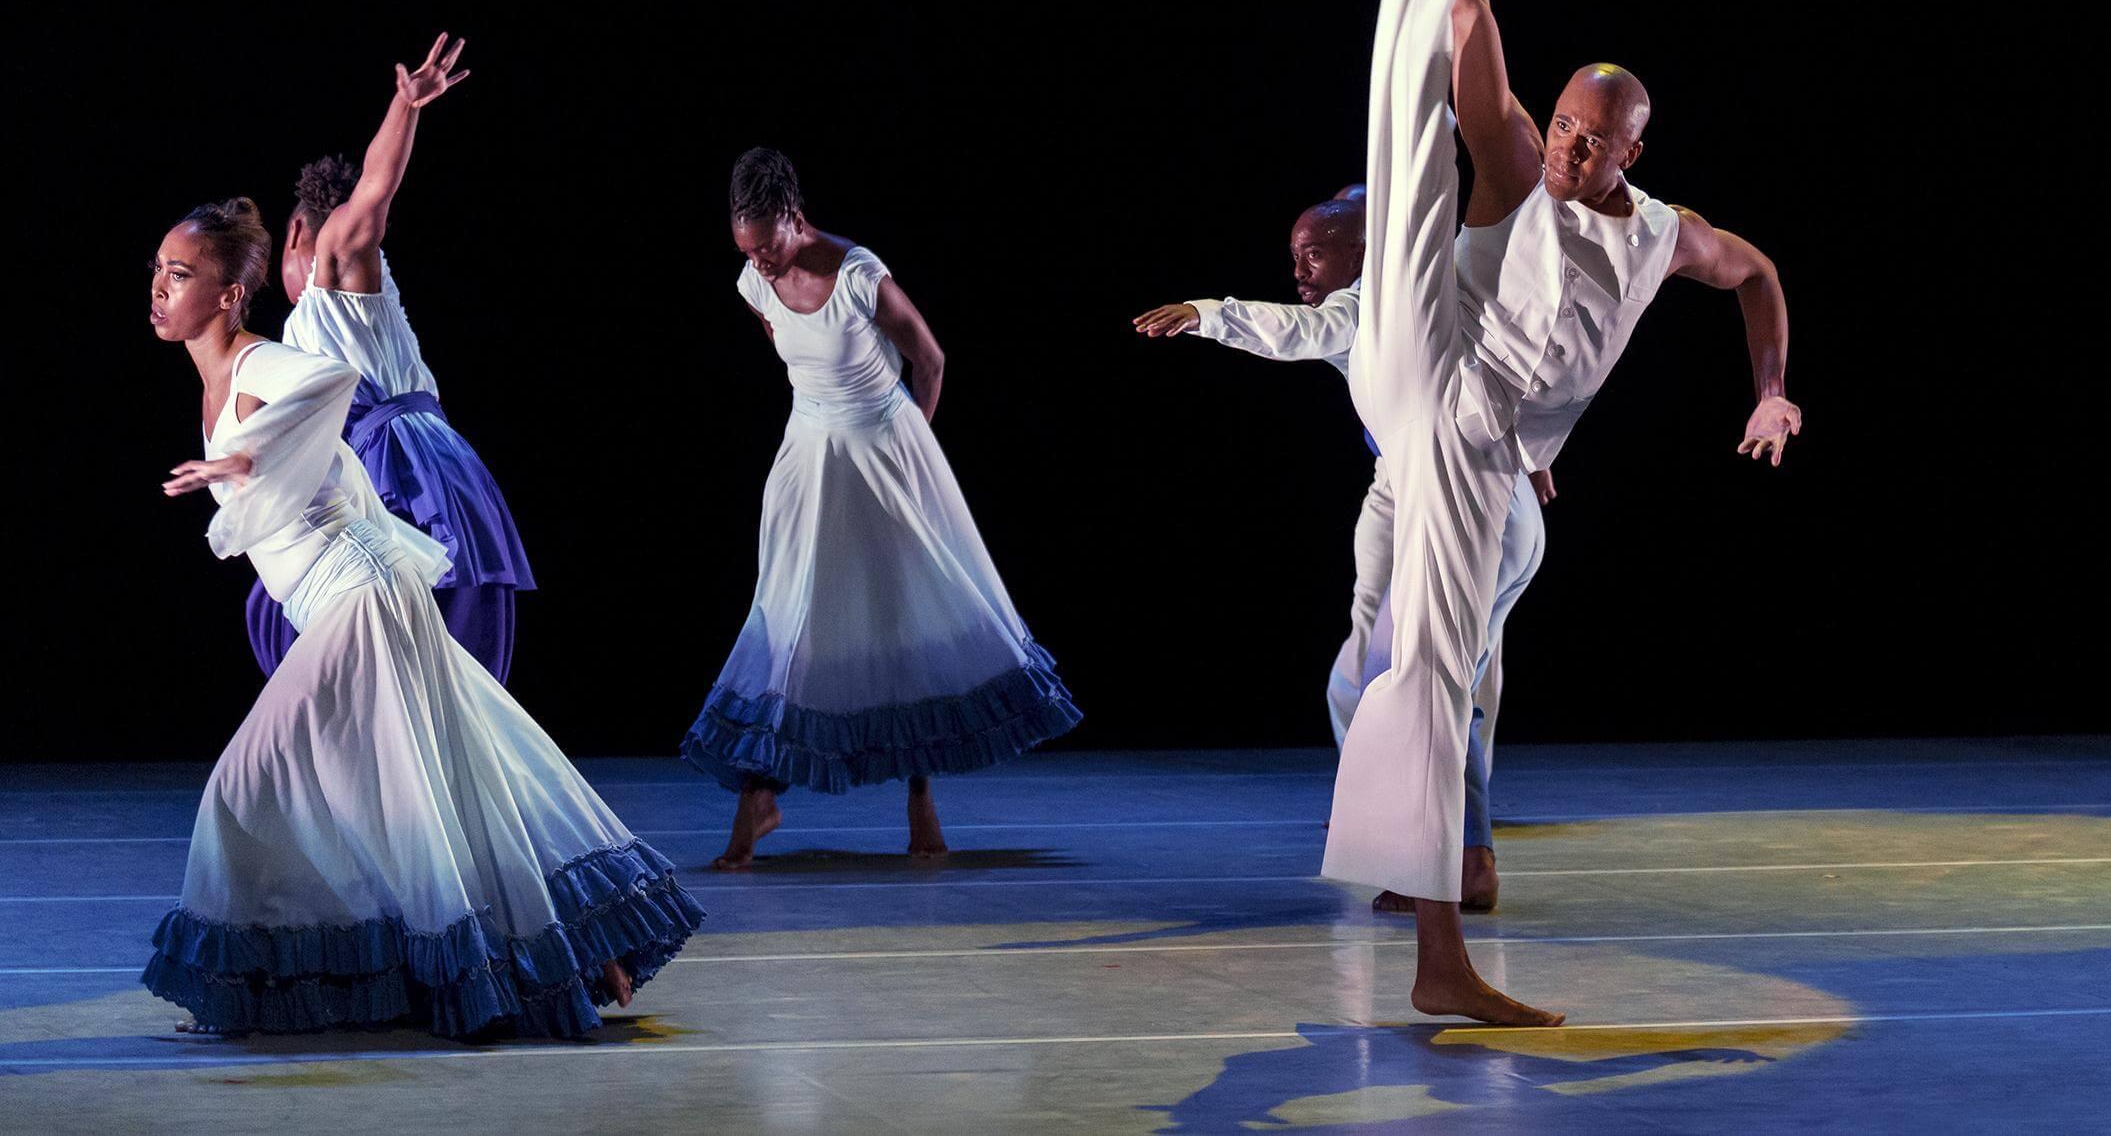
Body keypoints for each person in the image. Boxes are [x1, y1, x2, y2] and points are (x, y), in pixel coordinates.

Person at [1326, 0, 1800, 1025]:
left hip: (1469, 442)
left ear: (1635, 152)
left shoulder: (1661, 230)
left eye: (1597, 140)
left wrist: (1770, 388)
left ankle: (1436, 952)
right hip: (1428, 361)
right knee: (1431, 69)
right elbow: (1479, 43)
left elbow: (1756, 270)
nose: (1572, 146)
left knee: (1429, 667)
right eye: (1568, 124)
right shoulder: (1516, 155)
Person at [145, 198, 698, 1038]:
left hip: (358, 595)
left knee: (248, 784)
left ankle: (248, 981)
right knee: (442, 782)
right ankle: (567, 954)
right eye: (158, 270)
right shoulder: (219, 379)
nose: (158, 287)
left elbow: (332, 379)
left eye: (179, 275)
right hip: (357, 595)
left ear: (228, 295)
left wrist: (248, 455)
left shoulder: (259, 364)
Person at [1135, 186, 1548, 912]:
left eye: (1313, 253)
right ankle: (1415, 834)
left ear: (1364, 250)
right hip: (1430, 486)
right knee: (1388, 676)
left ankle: (1459, 855)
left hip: (1471, 499)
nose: (1298, 268)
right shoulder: (1408, 298)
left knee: (1433, 683)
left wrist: (1212, 314)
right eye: (1294, 255)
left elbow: (1298, 331)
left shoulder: (1381, 301)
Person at [686, 147, 1082, 870]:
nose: (764, 266)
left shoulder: (859, 274)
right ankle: (761, 796)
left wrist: (908, 452)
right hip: (811, 462)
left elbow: (927, 360)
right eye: (750, 253)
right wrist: (825, 425)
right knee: (794, 623)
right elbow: (794, 360)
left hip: (888, 453)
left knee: (907, 619)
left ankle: (921, 803)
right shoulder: (754, 283)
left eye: (770, 250)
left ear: (795, 220)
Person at [258, 33, 537, 681]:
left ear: (297, 230)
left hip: (408, 467)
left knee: (432, 643)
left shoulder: (336, 263)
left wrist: (404, 108)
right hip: (382, 467)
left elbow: (375, 191)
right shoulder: (306, 328)